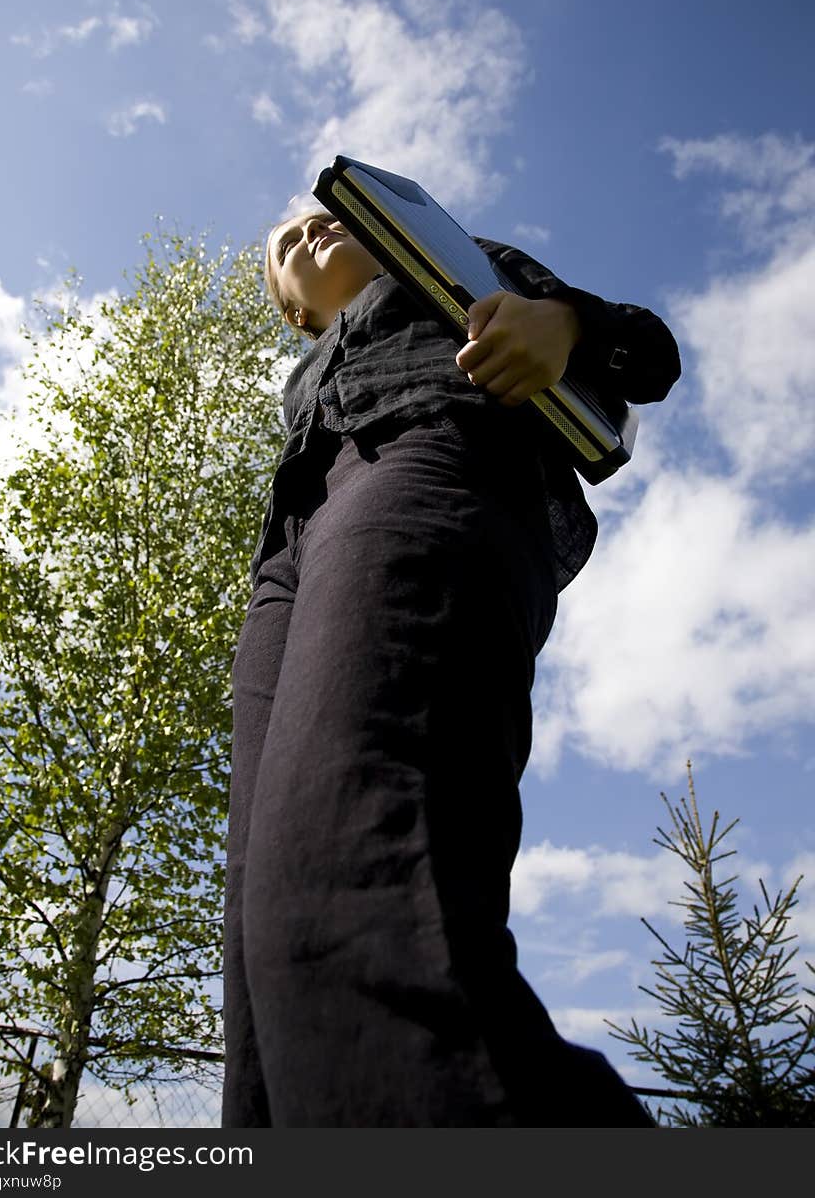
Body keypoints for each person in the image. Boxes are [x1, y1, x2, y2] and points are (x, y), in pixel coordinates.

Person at [222, 205, 681, 1127]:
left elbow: (648, 353)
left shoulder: (452, 265)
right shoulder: (305, 373)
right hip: (288, 553)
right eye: (287, 246)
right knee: (253, 961)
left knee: (350, 854)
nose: (311, 234)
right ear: (292, 311)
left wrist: (567, 324)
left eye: (326, 219)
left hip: (433, 455)